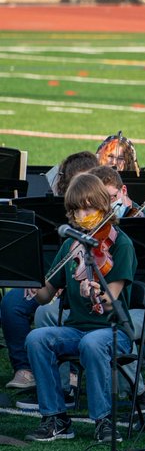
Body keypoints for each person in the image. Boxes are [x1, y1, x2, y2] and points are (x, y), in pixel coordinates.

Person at [23, 174, 137, 442]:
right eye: (76, 209)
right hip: (77, 329)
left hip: (113, 331)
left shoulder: (121, 244)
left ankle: (104, 420)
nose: (82, 214)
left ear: (103, 205)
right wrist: (30, 281)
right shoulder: (69, 245)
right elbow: (45, 295)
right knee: (37, 338)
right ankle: (56, 418)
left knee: (93, 344)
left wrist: (96, 291)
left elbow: (112, 300)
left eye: (88, 207)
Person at [2, 151, 99, 389]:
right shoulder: (58, 210)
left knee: (60, 311)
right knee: (12, 303)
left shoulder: (98, 215)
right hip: (48, 277)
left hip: (79, 285)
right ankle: (25, 369)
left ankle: (73, 370)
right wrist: (38, 283)